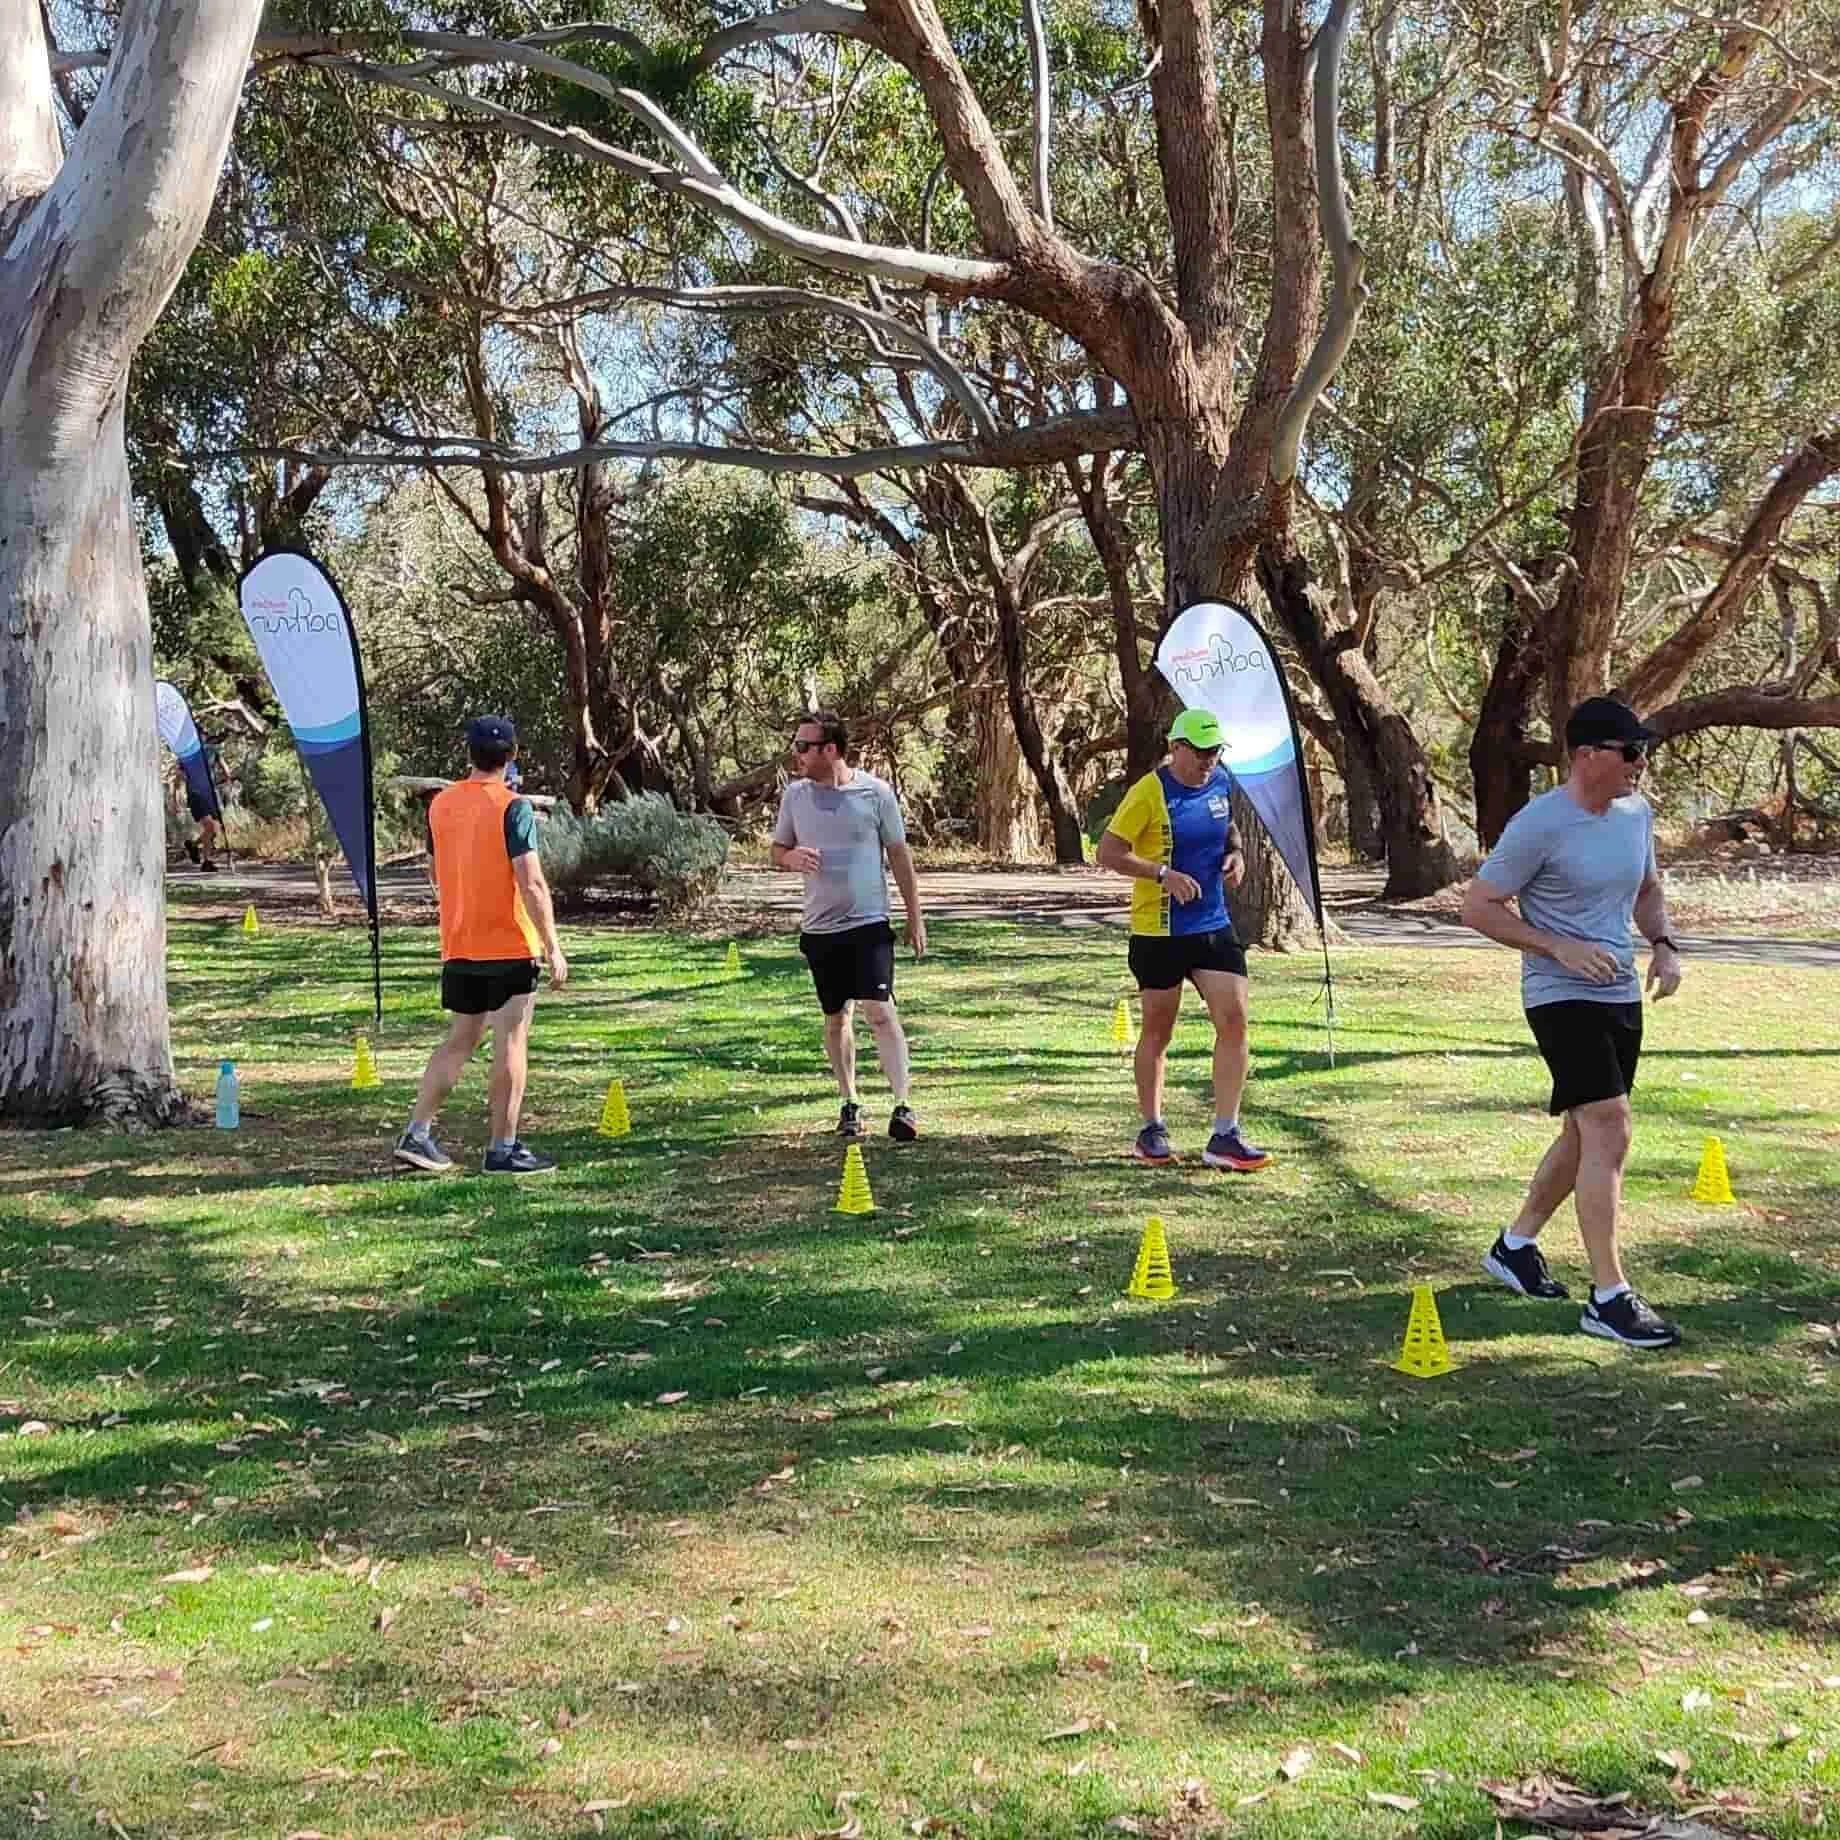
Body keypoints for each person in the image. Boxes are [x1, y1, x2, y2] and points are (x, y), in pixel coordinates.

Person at [1461, 695, 1684, 1349]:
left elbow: (1646, 890)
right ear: (1587, 757)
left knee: (1585, 1137)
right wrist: (1556, 946)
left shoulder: (1636, 813)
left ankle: (1515, 1245)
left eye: (1644, 750)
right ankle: (1609, 1297)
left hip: (1617, 993)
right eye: (1630, 752)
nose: (1641, 763)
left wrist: (1664, 944)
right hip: (1558, 994)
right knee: (1610, 1129)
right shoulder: (1539, 825)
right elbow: (1478, 907)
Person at [1097, 708, 1270, 1172]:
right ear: (1176, 748)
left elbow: (1228, 829)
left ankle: (1225, 1135)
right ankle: (1152, 1128)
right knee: (1158, 1031)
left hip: (1212, 925)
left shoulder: (1220, 782)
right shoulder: (1149, 792)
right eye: (1200, 752)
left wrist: (1236, 856)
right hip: (1159, 931)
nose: (1208, 760)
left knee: (1234, 1021)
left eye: (1214, 751)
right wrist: (1162, 874)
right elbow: (1108, 851)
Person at [394, 716, 568, 1176]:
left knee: (459, 1040)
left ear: (467, 754)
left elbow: (436, 872)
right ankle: (502, 1147)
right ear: (511, 757)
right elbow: (531, 882)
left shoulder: (440, 806)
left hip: (459, 944)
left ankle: (418, 1132)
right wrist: (552, 945)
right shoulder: (515, 807)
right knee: (511, 1040)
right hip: (509, 945)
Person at [770, 709, 926, 1141]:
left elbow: (899, 856)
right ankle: (851, 1103)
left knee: (880, 1011)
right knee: (837, 1018)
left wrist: (915, 917)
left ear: (831, 749)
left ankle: (903, 1105)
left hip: (868, 923)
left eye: (804, 746)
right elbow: (777, 849)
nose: (796, 753)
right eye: (796, 745)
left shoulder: (875, 793)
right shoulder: (796, 797)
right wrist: (790, 858)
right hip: (820, 929)